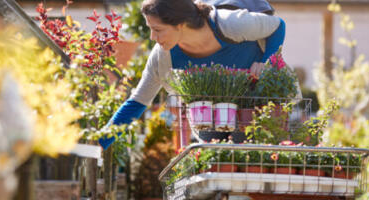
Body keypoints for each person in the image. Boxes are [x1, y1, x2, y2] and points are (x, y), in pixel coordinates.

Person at [99, 0, 286, 149]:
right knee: (213, 171)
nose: (152, 38)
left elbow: (278, 26)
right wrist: (98, 144)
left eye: (157, 29)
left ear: (180, 24)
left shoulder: (229, 24)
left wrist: (265, 63)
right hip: (210, 123)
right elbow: (137, 102)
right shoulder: (162, 56)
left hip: (257, 111)